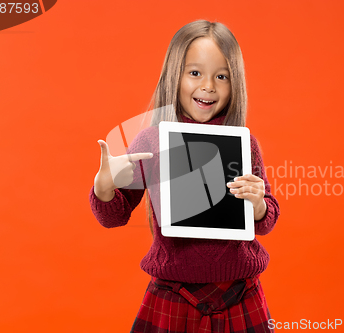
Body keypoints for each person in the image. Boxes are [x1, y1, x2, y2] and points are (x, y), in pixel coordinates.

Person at [89, 20, 280, 333]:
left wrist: (259, 205)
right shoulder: (151, 142)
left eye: (222, 76)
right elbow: (114, 216)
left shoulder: (245, 143)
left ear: (236, 84)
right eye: (195, 73)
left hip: (241, 291)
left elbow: (267, 218)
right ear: (174, 76)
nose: (208, 86)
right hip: (172, 293)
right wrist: (104, 187)